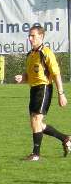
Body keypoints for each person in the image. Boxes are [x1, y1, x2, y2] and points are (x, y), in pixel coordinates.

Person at [21, 24, 70, 161]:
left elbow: (56, 74)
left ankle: (36, 154)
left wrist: (61, 94)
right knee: (36, 124)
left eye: (33, 36)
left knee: (36, 120)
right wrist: (22, 78)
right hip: (33, 90)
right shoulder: (30, 54)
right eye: (29, 36)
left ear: (41, 36)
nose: (30, 38)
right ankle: (65, 138)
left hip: (44, 88)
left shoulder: (46, 52)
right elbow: (29, 76)